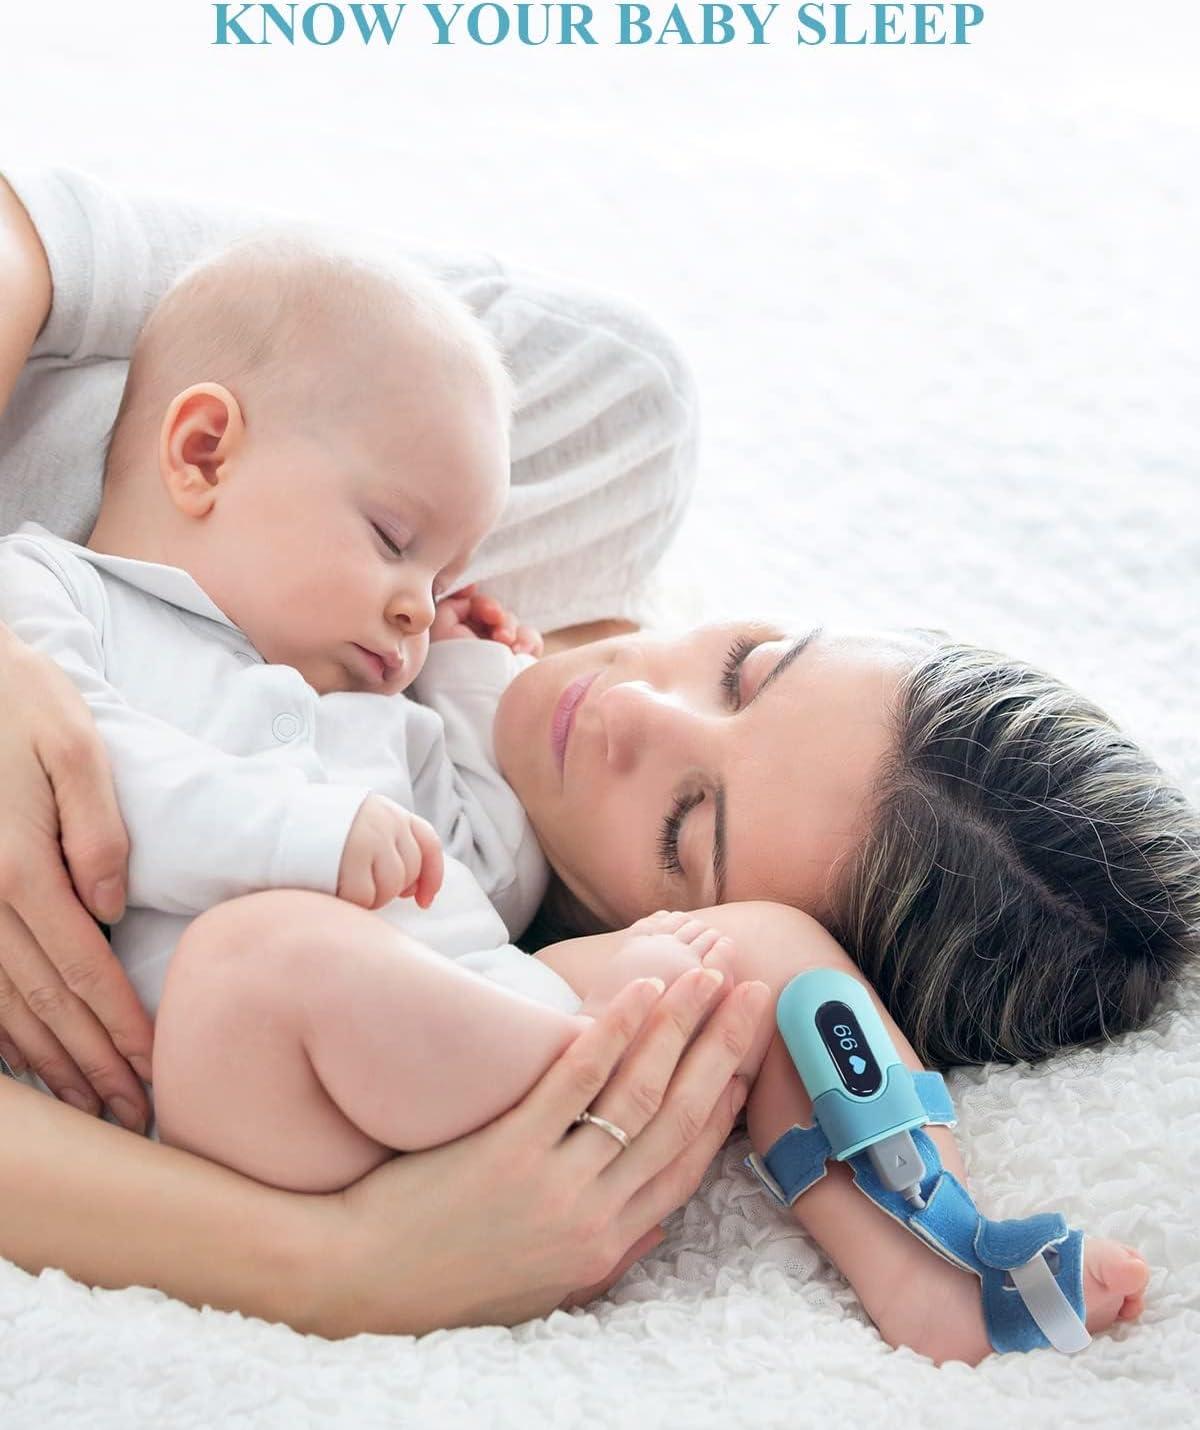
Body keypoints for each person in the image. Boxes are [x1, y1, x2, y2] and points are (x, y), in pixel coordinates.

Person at [0, 170, 1194, 1351]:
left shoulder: (399, 682)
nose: (625, 707)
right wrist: (339, 1261)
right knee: (254, 952)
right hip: (240, 1060)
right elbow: (105, 788)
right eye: (743, 666)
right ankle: (616, 1074)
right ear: (201, 450)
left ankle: (933, 1254)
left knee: (767, 953)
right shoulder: (70, 583)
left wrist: (461, 671)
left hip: (467, 1009)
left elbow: (483, 851)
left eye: (682, 831)